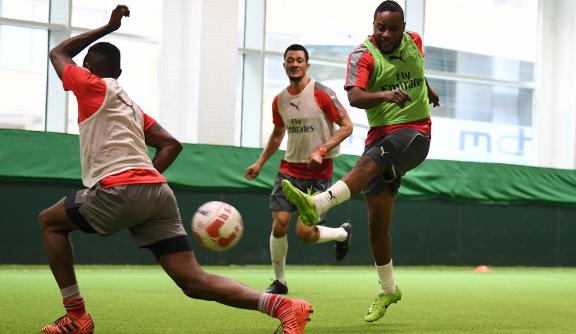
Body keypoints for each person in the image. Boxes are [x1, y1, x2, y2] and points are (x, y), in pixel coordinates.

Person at [40, 5, 312, 334]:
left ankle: (76, 316)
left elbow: (58, 51)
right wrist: (143, 181)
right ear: (120, 73)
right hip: (158, 193)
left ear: (86, 69)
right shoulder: (130, 106)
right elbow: (171, 144)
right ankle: (283, 306)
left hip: (119, 189)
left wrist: (109, 27)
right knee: (193, 281)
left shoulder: (89, 84)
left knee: (50, 222)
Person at [282, 0, 439, 323]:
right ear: (373, 25)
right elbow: (354, 97)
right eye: (379, 28)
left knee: (371, 162)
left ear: (403, 28)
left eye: (392, 29)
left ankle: (319, 205)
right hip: (381, 135)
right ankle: (388, 288)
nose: (385, 34)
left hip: (416, 133)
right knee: (376, 225)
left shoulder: (416, 42)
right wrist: (386, 95)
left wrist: (429, 89)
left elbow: (416, 73)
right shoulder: (362, 56)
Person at [245, 44, 354, 295]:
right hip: (289, 170)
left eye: (299, 60)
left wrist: (322, 150)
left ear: (307, 65)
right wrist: (260, 162)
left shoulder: (322, 93)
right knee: (279, 225)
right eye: (290, 60)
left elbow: (347, 126)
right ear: (284, 65)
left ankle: (341, 234)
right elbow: (277, 133)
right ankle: (279, 281)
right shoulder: (280, 100)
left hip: (318, 173)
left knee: (305, 232)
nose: (294, 64)